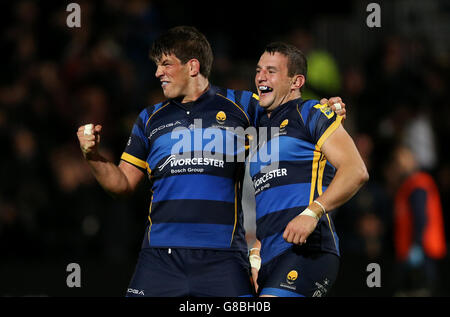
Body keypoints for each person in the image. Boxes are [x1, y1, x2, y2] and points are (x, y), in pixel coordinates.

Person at [77, 26, 346, 297]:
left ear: (192, 66)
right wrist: (93, 157)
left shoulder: (243, 106)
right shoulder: (149, 119)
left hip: (224, 260)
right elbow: (121, 185)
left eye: (166, 64)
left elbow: (289, 110)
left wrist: (324, 108)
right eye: (158, 66)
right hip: (160, 260)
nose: (158, 73)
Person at [249, 42, 369, 297]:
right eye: (259, 70)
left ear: (296, 82)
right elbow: (274, 202)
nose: (261, 76)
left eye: (271, 71)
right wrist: (257, 253)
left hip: (309, 251)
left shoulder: (311, 112)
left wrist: (312, 213)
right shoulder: (260, 132)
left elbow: (356, 170)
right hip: (270, 258)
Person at [386, 145, 446, 296]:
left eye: (404, 159)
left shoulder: (418, 184)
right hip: (408, 251)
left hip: (423, 251)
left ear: (413, 161)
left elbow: (421, 217)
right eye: (397, 161)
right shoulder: (405, 187)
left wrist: (417, 245)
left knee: (420, 291)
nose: (400, 164)